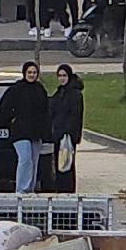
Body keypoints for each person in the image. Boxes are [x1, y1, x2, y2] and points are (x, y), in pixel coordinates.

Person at [0, 61, 51, 194]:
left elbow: (46, 111)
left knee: (34, 161)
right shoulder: (16, 89)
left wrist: (47, 132)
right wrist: (11, 119)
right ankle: (21, 189)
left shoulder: (40, 89)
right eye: (29, 72)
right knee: (25, 159)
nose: (32, 75)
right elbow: (4, 107)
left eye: (34, 73)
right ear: (24, 73)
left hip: (36, 132)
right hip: (20, 131)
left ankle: (30, 189)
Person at [49, 63, 85, 193]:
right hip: (57, 134)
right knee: (59, 164)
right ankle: (60, 189)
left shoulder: (75, 94)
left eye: (64, 75)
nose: (62, 78)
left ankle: (68, 190)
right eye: (59, 76)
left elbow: (76, 116)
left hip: (68, 136)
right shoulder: (60, 92)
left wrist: (70, 134)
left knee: (67, 164)